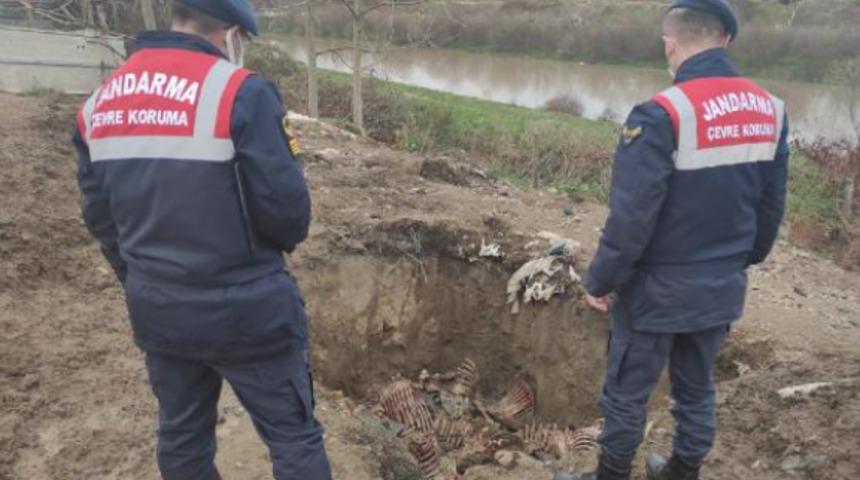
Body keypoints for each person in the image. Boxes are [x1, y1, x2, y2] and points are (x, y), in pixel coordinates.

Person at [73, 1, 332, 479]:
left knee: (182, 437)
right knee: (294, 438)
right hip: (249, 313)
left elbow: (100, 218)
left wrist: (144, 279)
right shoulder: (240, 92)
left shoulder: (98, 104)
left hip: (158, 308)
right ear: (232, 34)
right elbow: (288, 217)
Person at [555, 1, 789, 479]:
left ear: (671, 42)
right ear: (726, 40)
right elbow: (770, 209)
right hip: (721, 283)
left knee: (626, 392)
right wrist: (739, 262)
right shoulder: (772, 110)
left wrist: (600, 279)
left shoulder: (662, 113)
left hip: (655, 291)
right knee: (697, 386)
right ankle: (682, 471)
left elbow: (630, 219)